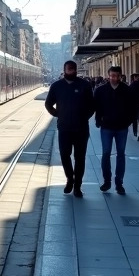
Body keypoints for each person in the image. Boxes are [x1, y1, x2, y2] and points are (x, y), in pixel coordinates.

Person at [45, 60, 95, 197]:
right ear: (64, 70)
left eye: (73, 69)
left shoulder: (85, 85)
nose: (71, 71)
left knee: (80, 158)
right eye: (69, 69)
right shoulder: (57, 86)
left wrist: (84, 117)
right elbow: (48, 103)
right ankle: (69, 179)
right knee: (64, 155)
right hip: (64, 128)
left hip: (81, 129)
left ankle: (77, 186)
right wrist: (57, 114)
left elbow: (92, 105)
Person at [94, 66, 134, 195]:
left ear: (120, 76)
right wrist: (98, 120)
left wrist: (128, 121)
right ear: (108, 76)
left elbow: (133, 107)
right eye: (112, 76)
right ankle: (107, 181)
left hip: (122, 127)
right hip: (106, 127)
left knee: (121, 154)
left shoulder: (127, 90)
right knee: (106, 153)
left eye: (116, 76)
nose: (114, 78)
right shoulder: (101, 91)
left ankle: (119, 183)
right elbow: (97, 107)